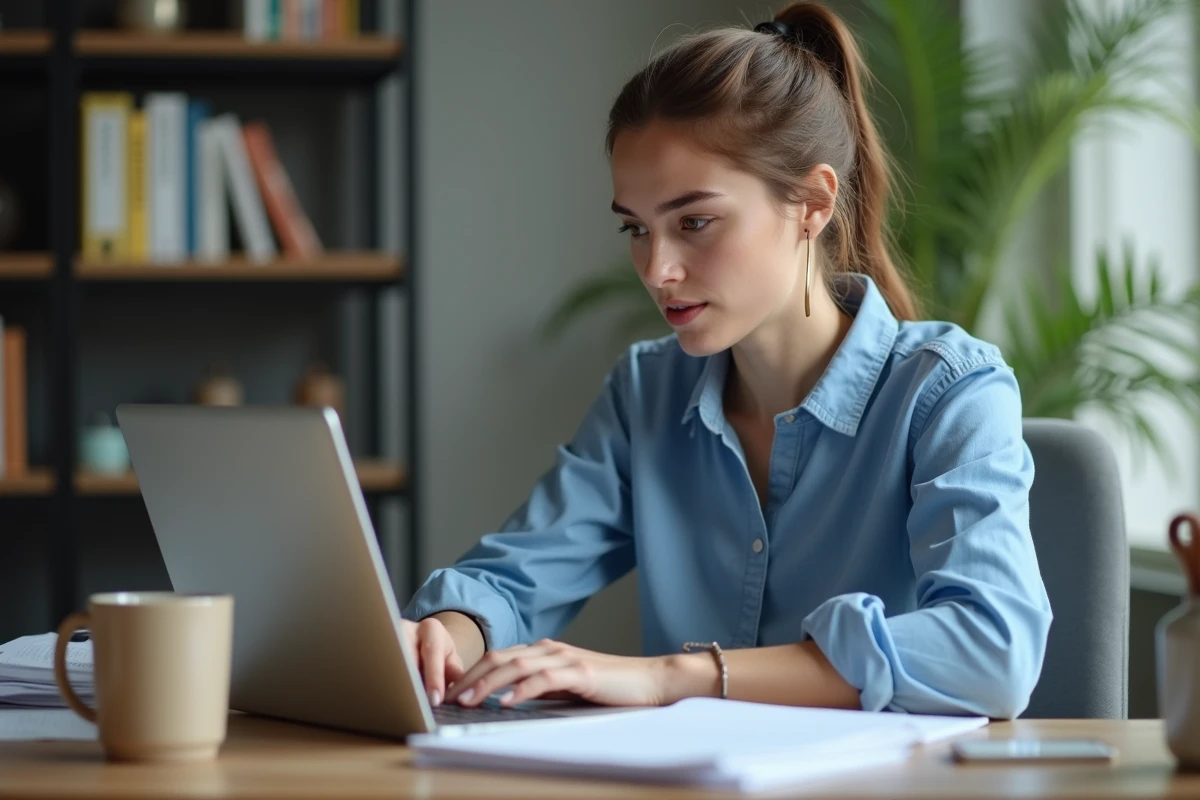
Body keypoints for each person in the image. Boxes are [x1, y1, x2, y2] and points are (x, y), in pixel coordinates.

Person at [400, 1, 1052, 719]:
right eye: (636, 229)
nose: (656, 269)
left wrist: (674, 678)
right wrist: (443, 636)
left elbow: (991, 651)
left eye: (694, 222)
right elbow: (516, 580)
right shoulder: (645, 392)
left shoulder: (950, 392)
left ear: (811, 203)